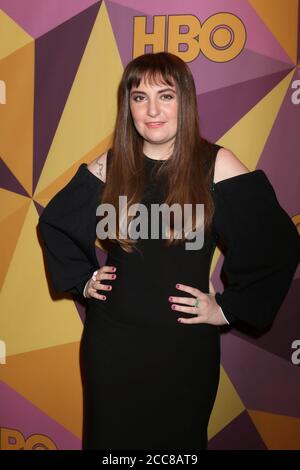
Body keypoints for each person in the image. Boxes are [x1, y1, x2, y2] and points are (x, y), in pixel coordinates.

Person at [38, 52, 300, 450]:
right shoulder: (111, 166)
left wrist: (227, 308)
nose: (152, 109)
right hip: (111, 347)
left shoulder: (216, 164)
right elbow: (55, 224)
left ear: (186, 102)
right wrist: (82, 280)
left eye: (166, 95)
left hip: (182, 351)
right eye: (139, 97)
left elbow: (277, 244)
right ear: (128, 106)